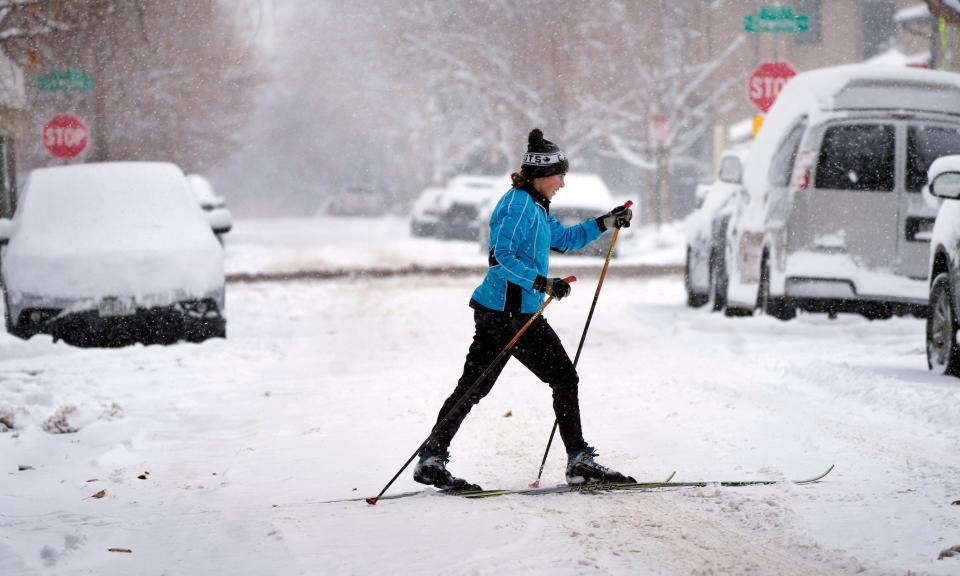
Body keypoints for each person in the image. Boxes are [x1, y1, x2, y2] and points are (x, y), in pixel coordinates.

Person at [414, 128, 635, 491]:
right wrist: (542, 283)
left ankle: (431, 458)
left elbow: (564, 240)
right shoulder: (518, 206)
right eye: (560, 175)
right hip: (511, 313)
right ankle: (579, 460)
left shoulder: (535, 205)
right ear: (542, 175)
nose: (563, 183)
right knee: (563, 377)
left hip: (498, 310)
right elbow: (501, 257)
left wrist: (605, 222)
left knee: (473, 387)